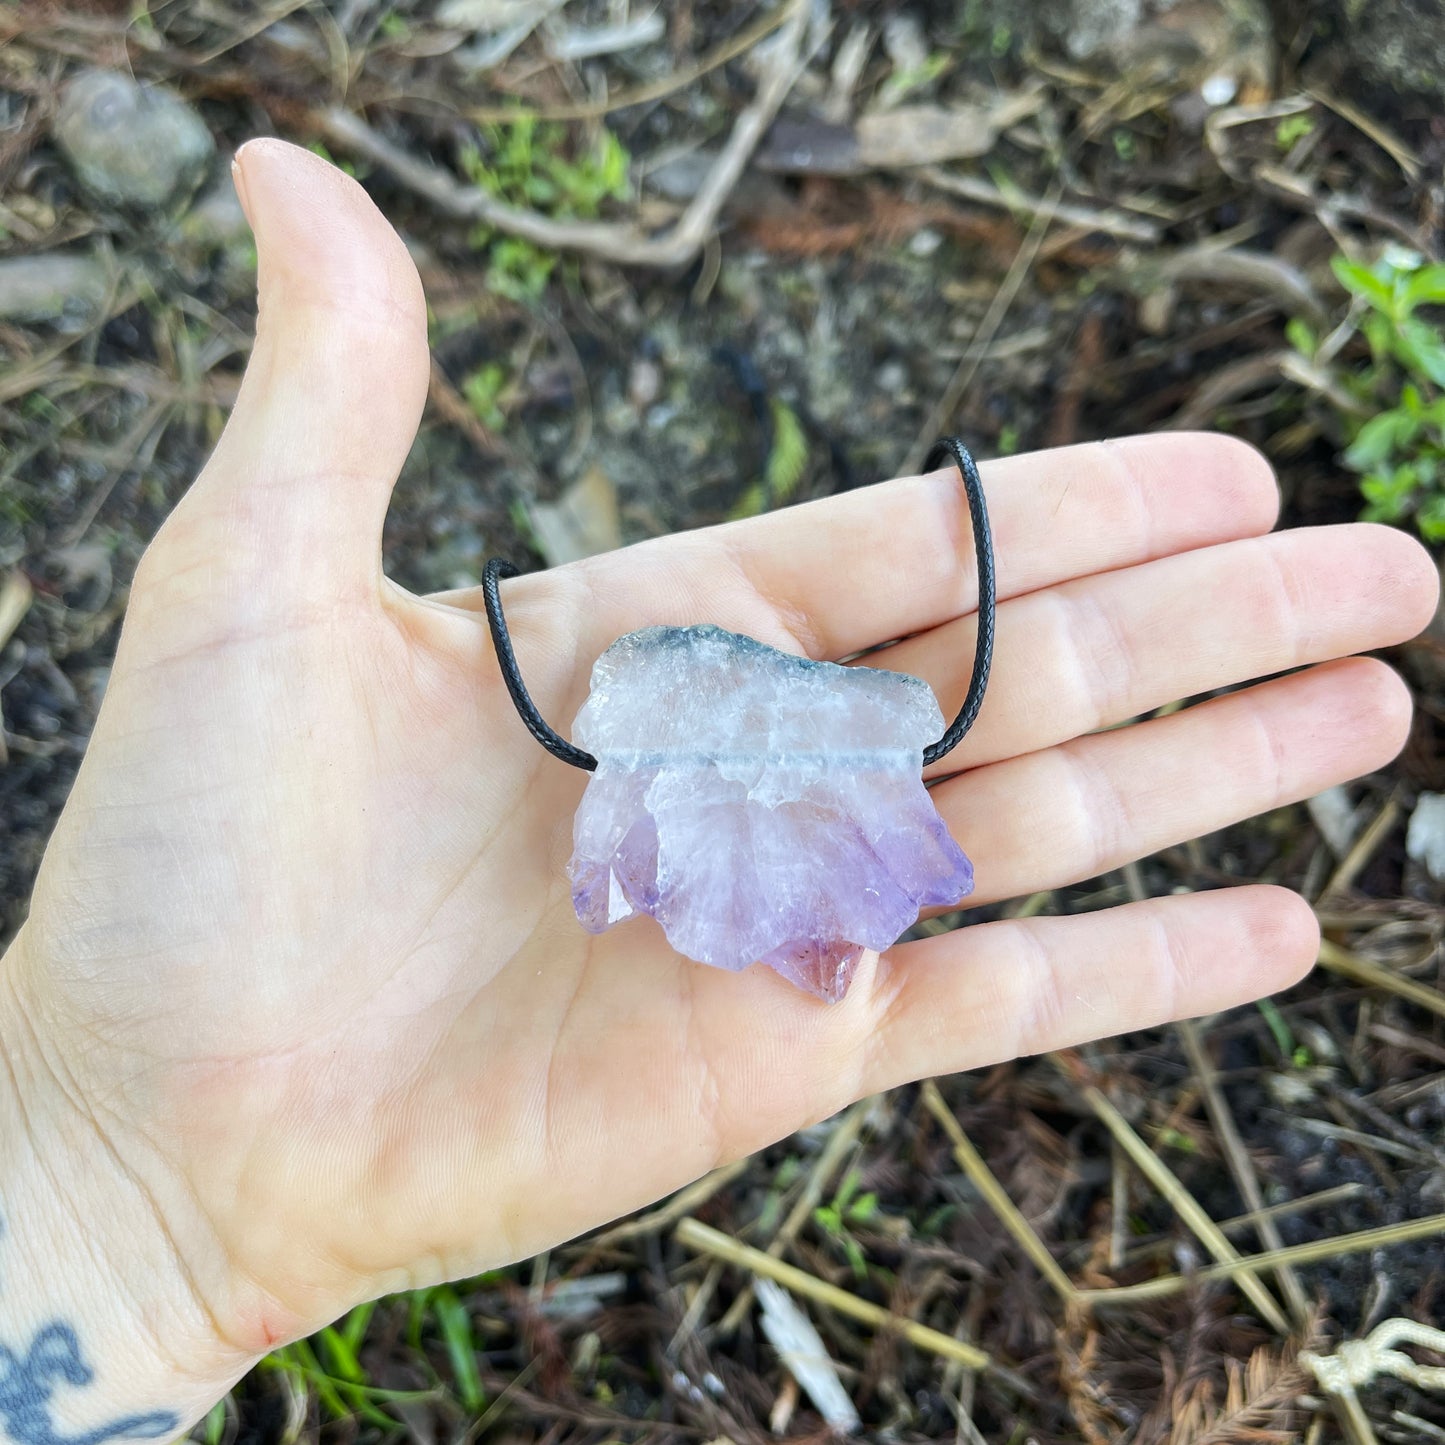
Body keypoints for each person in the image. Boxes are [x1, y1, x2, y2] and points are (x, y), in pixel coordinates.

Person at [0, 139, 1435, 1439]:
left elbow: (869, 860)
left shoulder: (825, 768)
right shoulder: (642, 760)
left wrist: (122, 1211)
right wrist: (114, 1187)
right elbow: (640, 855)